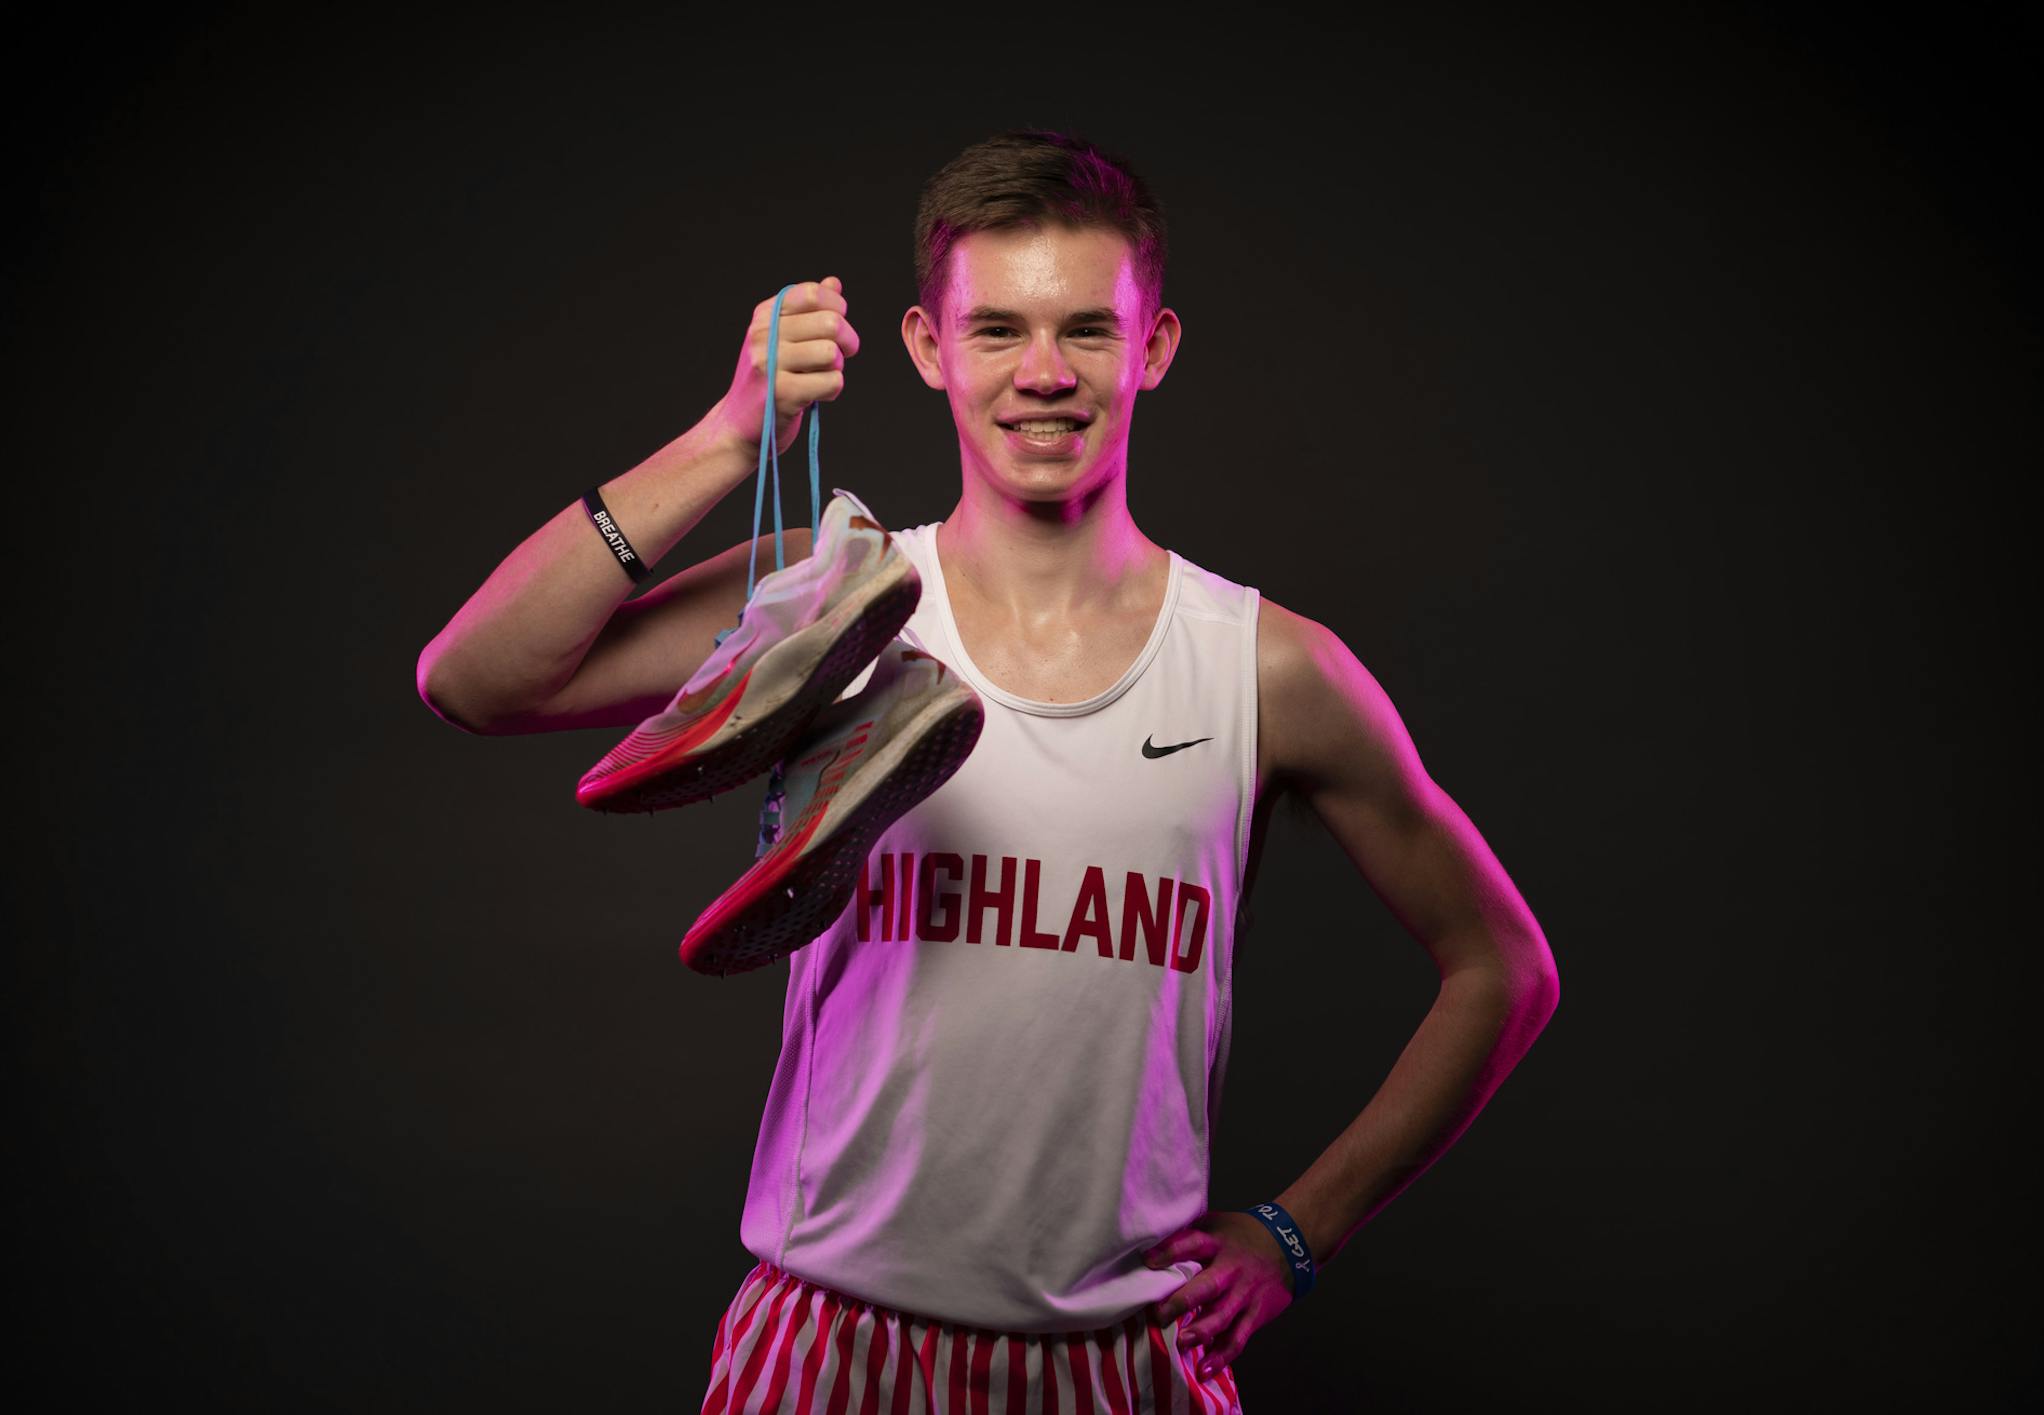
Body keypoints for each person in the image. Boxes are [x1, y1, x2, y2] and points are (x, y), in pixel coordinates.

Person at [417, 129, 1560, 1413]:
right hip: (830, 1343)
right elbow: (478, 677)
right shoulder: (832, 594)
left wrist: (1297, 1235)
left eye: (1087, 330)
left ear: (1156, 348)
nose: (1045, 375)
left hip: (1125, 1363)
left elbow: (1503, 966)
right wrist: (728, 441)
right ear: (927, 348)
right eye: (999, 330)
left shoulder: (1269, 668)